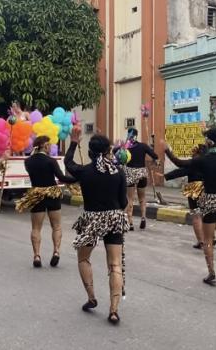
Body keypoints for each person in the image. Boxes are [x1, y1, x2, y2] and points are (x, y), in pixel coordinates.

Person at [163, 128, 216, 287]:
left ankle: (212, 273)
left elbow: (180, 163)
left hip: (210, 201)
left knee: (207, 240)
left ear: (209, 142)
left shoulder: (202, 160)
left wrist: (167, 150)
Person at [65, 127, 129, 325]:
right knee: (115, 264)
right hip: (114, 219)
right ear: (109, 151)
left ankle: (92, 298)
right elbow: (124, 202)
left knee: (83, 259)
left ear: (91, 152)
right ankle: (114, 310)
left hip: (91, 220)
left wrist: (74, 141)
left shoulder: (85, 171)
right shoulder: (118, 172)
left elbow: (68, 164)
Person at [17, 136, 76, 267]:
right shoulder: (51, 161)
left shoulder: (28, 162)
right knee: (56, 226)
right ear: (44, 146)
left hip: (36, 194)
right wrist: (76, 179)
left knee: (36, 228)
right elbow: (61, 177)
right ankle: (56, 251)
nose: (51, 147)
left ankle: (37, 255)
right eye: (49, 145)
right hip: (52, 194)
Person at [162, 144, 209, 249]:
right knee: (206, 214)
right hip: (207, 188)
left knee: (196, 215)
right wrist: (167, 176)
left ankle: (201, 241)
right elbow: (183, 171)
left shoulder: (195, 161)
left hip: (195, 188)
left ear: (196, 152)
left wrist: (168, 151)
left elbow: (179, 163)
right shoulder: (209, 161)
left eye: (193, 151)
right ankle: (211, 237)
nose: (191, 153)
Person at [121, 127, 159, 231]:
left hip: (130, 173)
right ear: (137, 135)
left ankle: (131, 223)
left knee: (130, 199)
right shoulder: (143, 146)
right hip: (142, 173)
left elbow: (117, 156)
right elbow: (155, 155)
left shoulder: (125, 147)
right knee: (142, 198)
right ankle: (143, 217)